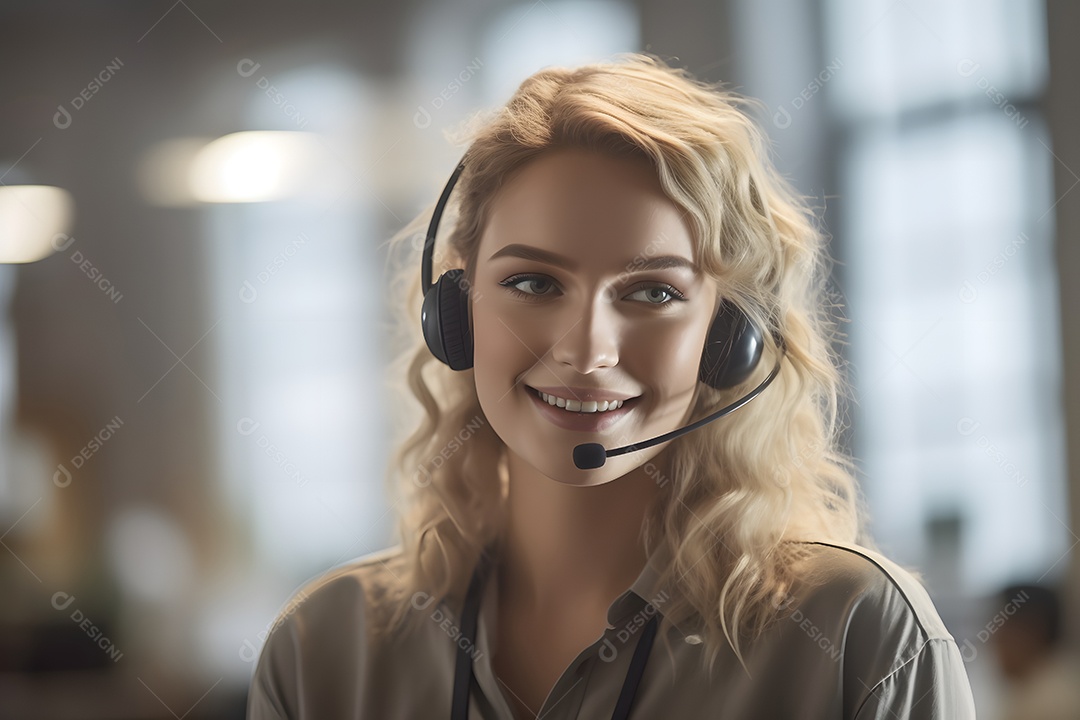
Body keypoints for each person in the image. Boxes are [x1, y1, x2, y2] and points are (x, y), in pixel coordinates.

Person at [246, 53, 977, 719]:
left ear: (730, 337)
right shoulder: (325, 653)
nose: (587, 351)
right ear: (456, 312)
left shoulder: (857, 635)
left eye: (652, 293)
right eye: (533, 283)